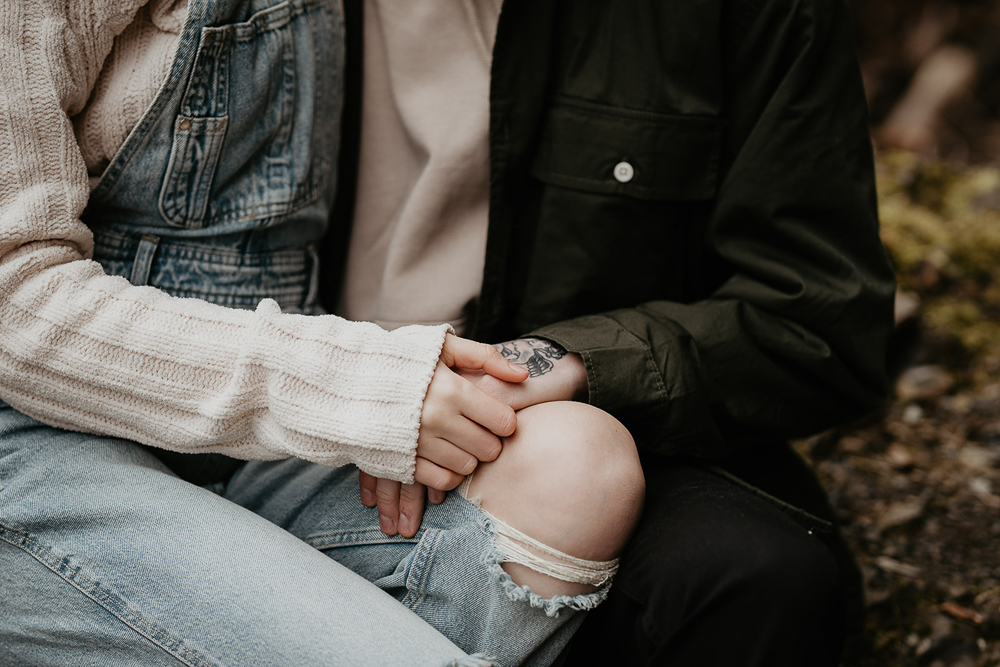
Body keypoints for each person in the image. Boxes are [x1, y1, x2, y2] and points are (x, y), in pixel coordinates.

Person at [0, 2, 894, 667]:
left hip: (440, 411)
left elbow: (818, 316)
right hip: (149, 405)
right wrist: (367, 387)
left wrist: (558, 362)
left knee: (711, 547)